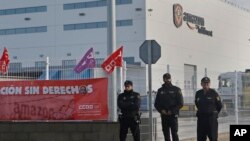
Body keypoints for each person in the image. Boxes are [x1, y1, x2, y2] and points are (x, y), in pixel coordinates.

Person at [154, 73, 184, 141]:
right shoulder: (160, 90)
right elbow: (156, 104)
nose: (167, 79)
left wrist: (172, 111)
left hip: (173, 115)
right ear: (163, 79)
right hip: (164, 115)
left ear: (171, 79)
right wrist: (161, 110)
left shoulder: (176, 89)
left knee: (174, 133)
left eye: (168, 78)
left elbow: (180, 103)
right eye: (165, 78)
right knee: (166, 134)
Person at [195, 77, 222, 141]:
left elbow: (219, 105)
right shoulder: (198, 93)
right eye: (204, 83)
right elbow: (197, 103)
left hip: (211, 119)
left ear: (210, 84)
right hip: (201, 119)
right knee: (201, 138)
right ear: (201, 84)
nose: (206, 85)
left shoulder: (214, 93)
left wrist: (214, 113)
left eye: (207, 83)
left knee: (213, 137)